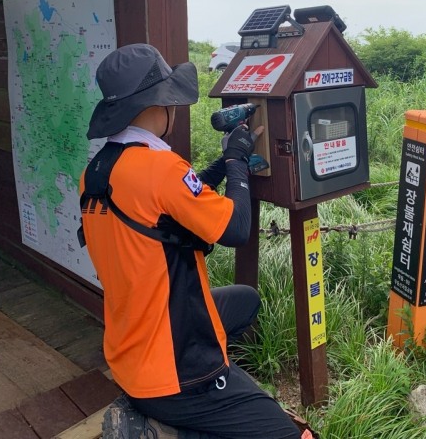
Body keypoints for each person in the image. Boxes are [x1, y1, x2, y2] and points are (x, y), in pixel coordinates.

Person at [79, 43, 304, 438]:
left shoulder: (99, 170)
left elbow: (169, 207)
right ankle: (188, 417)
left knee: (244, 301)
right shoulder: (160, 168)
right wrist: (236, 164)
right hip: (171, 371)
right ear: (158, 104)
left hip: (129, 348)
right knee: (291, 435)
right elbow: (236, 229)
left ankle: (200, 404)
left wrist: (223, 161)